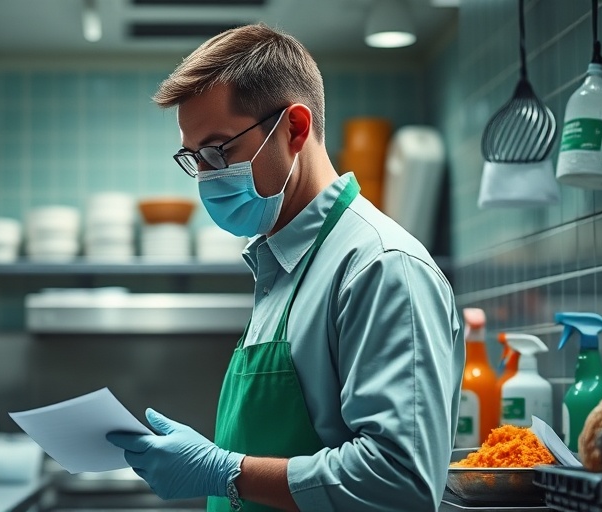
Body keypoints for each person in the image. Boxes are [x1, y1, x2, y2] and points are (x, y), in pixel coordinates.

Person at [106, 23, 463, 511]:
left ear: (294, 129)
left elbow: (399, 479)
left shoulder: (380, 267)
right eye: (194, 158)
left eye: (218, 150)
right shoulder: (282, 266)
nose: (207, 178)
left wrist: (224, 470)